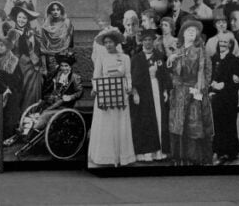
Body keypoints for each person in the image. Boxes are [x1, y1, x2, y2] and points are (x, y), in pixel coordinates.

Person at [167, 20, 214, 166]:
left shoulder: (201, 51)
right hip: (179, 93)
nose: (192, 32)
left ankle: (195, 159)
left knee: (194, 125)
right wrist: (170, 60)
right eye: (188, 30)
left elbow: (207, 73)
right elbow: (172, 74)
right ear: (183, 34)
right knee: (180, 125)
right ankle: (180, 157)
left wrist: (199, 89)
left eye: (194, 31)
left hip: (195, 92)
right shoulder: (177, 51)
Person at [88, 28, 135, 167]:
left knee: (120, 123)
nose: (108, 45)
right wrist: (95, 89)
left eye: (111, 42)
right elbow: (96, 76)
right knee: (106, 123)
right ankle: (105, 157)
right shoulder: (101, 58)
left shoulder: (125, 58)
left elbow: (127, 75)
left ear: (116, 43)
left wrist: (129, 87)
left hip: (120, 93)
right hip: (105, 93)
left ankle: (121, 157)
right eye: (106, 42)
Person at [130, 29, 172, 162]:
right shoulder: (137, 58)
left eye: (150, 40)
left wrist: (165, 90)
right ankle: (146, 152)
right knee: (145, 121)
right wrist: (135, 93)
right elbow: (133, 78)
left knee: (159, 118)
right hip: (143, 94)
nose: (148, 42)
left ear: (153, 41)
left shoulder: (159, 56)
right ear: (142, 42)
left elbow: (164, 74)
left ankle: (159, 152)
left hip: (157, 90)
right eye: (145, 40)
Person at [209, 38, 239, 165]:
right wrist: (212, 85)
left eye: (225, 42)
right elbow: (209, 75)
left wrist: (225, 84)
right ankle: (220, 151)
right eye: (220, 42)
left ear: (230, 45)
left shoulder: (235, 60)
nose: (222, 44)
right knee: (217, 124)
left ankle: (230, 151)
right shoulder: (213, 59)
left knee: (228, 123)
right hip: (216, 97)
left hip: (229, 98)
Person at [9, 3, 45, 112]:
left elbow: (38, 51)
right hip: (14, 67)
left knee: (30, 93)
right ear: (16, 18)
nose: (21, 20)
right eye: (19, 17)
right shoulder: (10, 33)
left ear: (27, 20)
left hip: (30, 69)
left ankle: (28, 117)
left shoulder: (32, 34)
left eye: (24, 18)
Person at [0, 35, 23, 139]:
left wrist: (8, 87)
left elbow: (18, 79)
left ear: (7, 47)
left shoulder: (14, 61)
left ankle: (7, 136)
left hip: (10, 91)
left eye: (2, 46)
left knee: (8, 115)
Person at [40, 1, 74, 72]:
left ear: (61, 11)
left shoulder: (67, 23)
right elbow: (42, 45)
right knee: (51, 77)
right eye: (53, 10)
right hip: (50, 55)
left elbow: (70, 43)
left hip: (63, 55)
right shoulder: (45, 25)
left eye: (58, 9)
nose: (55, 12)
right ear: (50, 11)